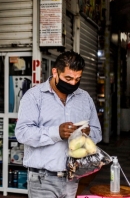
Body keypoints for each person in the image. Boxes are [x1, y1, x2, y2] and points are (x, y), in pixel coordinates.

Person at [15, 51, 102, 198]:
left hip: (72, 177)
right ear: (55, 72)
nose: (73, 83)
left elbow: (97, 132)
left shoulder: (84, 98)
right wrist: (56, 133)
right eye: (68, 78)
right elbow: (22, 133)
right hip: (42, 179)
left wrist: (87, 133)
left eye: (77, 79)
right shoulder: (34, 96)